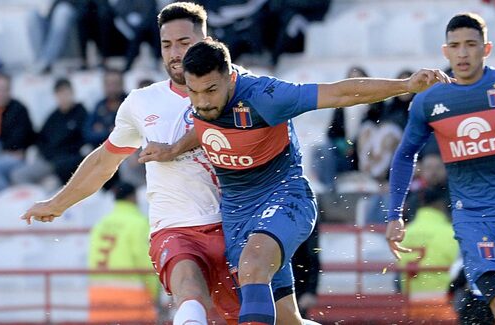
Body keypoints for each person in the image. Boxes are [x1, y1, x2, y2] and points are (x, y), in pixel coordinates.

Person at [168, 39, 451, 325]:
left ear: (230, 78)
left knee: (252, 266)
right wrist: (173, 148)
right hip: (237, 214)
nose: (202, 101)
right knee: (287, 319)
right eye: (194, 92)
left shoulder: (265, 96)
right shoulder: (200, 102)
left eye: (211, 91)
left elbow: (339, 94)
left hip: (285, 198)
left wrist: (405, 85)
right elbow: (206, 125)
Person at [20, 3, 240, 325]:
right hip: (175, 227)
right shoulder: (142, 102)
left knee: (247, 317)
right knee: (190, 296)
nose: (175, 53)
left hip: (233, 223)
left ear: (207, 41)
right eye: (167, 45)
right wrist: (58, 202)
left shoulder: (239, 88)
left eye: (184, 43)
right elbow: (103, 162)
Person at [386, 13, 495, 325]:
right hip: (475, 220)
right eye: (455, 45)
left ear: (487, 48)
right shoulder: (429, 100)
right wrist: (394, 215)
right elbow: (404, 156)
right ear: (445, 51)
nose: (463, 53)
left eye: (471, 44)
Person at [88, 182, 158, 322]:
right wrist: (155, 293)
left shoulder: (101, 223)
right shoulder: (138, 223)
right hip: (132, 297)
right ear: (133, 198)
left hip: (99, 297)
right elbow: (145, 261)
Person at [11, 78, 87, 186]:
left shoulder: (81, 113)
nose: (63, 97)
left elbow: (83, 141)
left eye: (66, 93)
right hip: (49, 160)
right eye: (60, 94)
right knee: (18, 175)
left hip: (67, 162)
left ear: (72, 93)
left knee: (51, 185)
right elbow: (41, 139)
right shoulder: (54, 116)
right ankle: (34, 200)